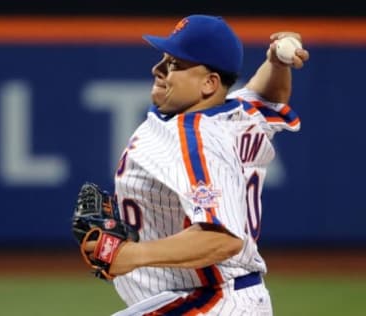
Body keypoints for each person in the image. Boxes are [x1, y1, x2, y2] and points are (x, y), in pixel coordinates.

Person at [84, 15, 309, 315]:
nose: (158, 69)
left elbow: (223, 238)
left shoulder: (195, 138)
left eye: (175, 64)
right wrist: (276, 63)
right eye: (163, 59)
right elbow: (269, 96)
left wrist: (133, 254)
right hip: (222, 298)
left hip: (212, 300)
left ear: (209, 83)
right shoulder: (235, 112)